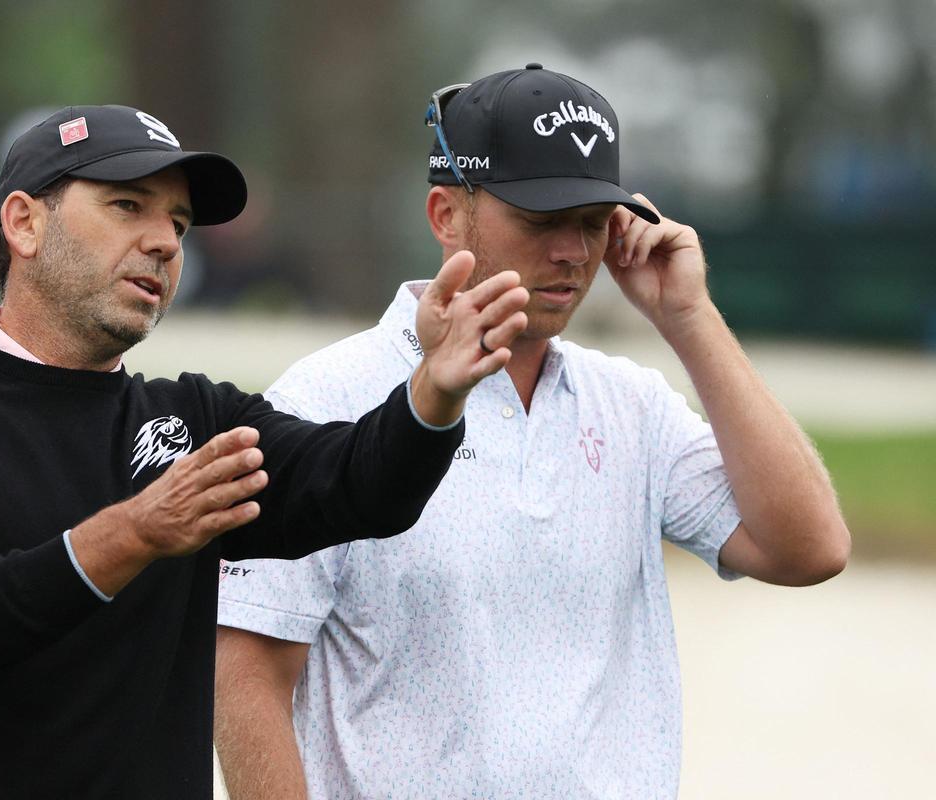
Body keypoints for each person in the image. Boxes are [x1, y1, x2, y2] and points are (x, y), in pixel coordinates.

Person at [0, 104, 532, 799]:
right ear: (24, 223)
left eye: (179, 223)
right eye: (129, 206)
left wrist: (432, 394)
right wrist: (133, 534)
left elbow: (357, 486)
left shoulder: (196, 417)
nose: (164, 242)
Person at [214, 65, 851, 800]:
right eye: (542, 220)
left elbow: (808, 548)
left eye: (592, 222)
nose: (574, 253)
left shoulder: (630, 405)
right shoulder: (325, 398)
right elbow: (247, 673)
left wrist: (688, 317)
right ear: (446, 214)